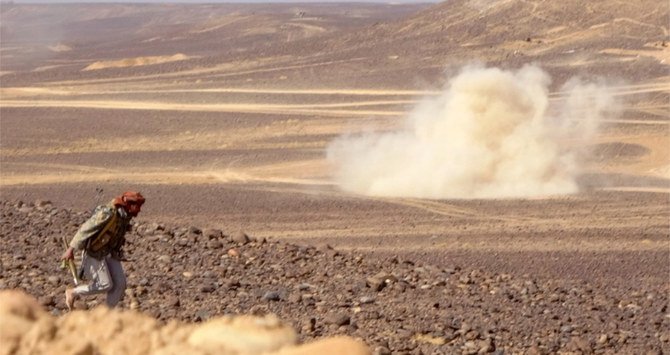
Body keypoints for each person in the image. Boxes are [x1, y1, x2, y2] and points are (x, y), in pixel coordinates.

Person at [61, 191, 145, 310]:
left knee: (120, 284)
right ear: (128, 204)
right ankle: (73, 292)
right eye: (136, 206)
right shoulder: (107, 213)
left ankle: (104, 313)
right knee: (105, 284)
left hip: (110, 252)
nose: (138, 209)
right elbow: (85, 229)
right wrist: (70, 249)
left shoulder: (125, 216)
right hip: (94, 252)